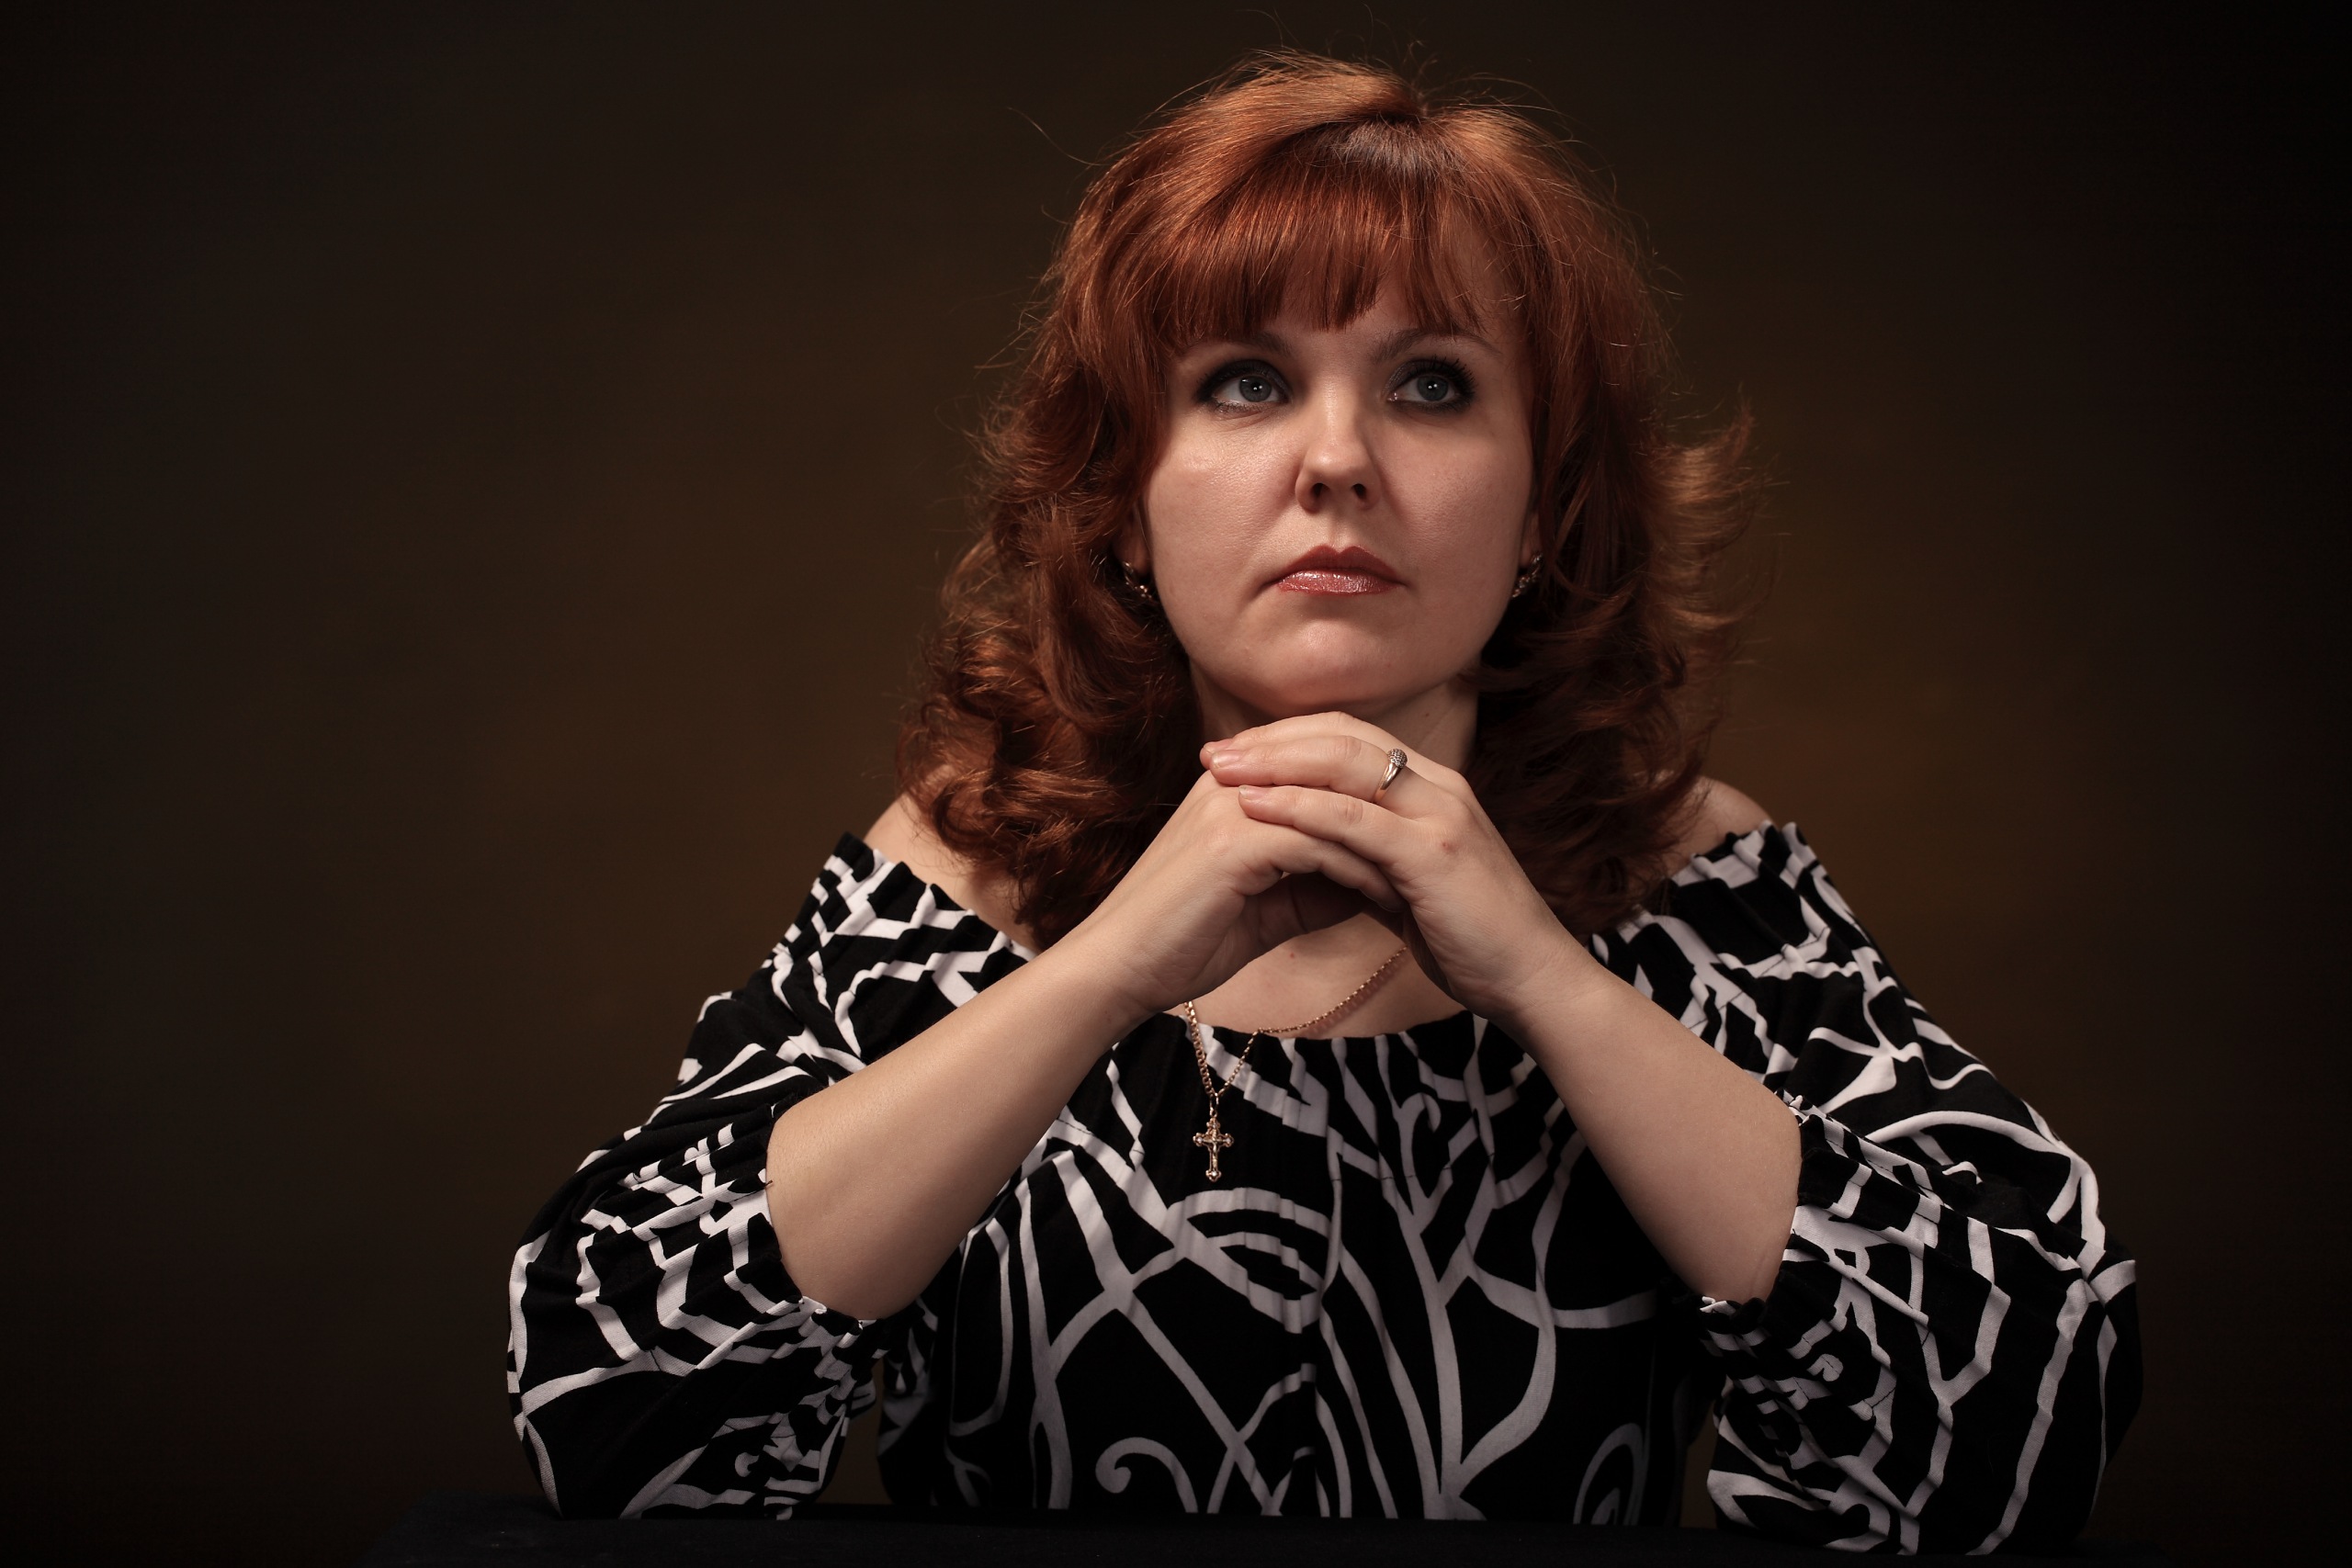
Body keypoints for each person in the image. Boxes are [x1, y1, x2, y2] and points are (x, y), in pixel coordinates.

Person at [505, 53, 2139, 1551]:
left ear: (1543, 513)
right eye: (1243, 382)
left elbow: (2019, 1425)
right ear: (1121, 503)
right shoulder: (962, 874)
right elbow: (620, 1418)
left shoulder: (1691, 877)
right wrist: (1106, 970)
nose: (1339, 459)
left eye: (1432, 384)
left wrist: (1548, 978)